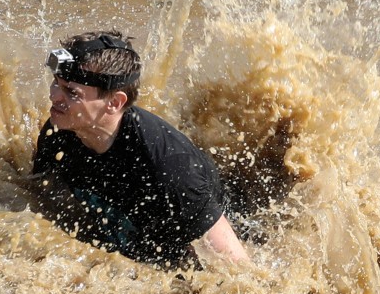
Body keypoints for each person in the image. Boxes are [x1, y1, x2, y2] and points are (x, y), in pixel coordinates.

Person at [32, 31, 249, 267]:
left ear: (114, 103)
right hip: (133, 229)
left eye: (71, 92)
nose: (54, 96)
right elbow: (41, 195)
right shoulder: (60, 130)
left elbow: (238, 270)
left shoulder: (172, 169)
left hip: (206, 230)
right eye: (56, 83)